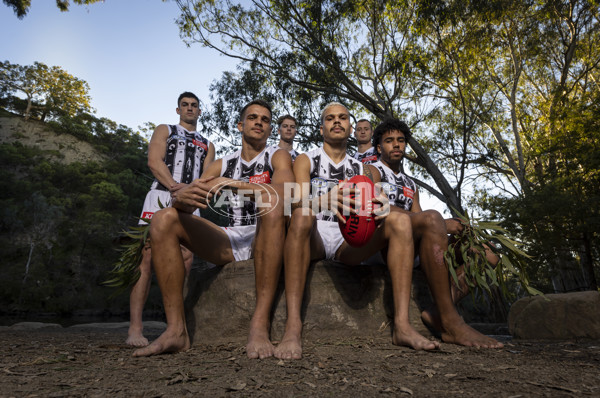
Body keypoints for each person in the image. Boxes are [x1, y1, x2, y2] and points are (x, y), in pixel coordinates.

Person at [275, 102, 439, 360]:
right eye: (330, 118)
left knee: (400, 221)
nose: (337, 121)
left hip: (348, 239)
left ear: (351, 128)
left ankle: (402, 326)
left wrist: (382, 205)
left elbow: (377, 203)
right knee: (302, 215)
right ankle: (293, 327)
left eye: (342, 118)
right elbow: (290, 202)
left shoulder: (363, 169)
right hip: (314, 234)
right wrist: (320, 201)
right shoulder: (307, 159)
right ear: (321, 128)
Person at [132, 99, 294, 359]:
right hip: (230, 238)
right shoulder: (221, 163)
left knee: (273, 205)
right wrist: (180, 200)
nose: (259, 122)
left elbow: (284, 195)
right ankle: (176, 330)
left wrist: (230, 186)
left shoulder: (277, 155)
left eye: (265, 119)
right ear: (240, 125)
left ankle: (260, 325)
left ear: (270, 129)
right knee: (163, 219)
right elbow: (195, 197)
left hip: (266, 234)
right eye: (253, 117)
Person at [370, 117, 503, 348]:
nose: (396, 145)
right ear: (379, 147)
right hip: (386, 243)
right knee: (434, 218)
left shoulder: (410, 184)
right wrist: (439, 221)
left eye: (401, 140)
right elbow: (376, 207)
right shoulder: (372, 170)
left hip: (415, 245)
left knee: (487, 254)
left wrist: (451, 229)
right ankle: (452, 323)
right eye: (389, 141)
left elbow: (420, 219)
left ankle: (438, 309)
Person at [126, 92, 215, 347]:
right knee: (146, 258)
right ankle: (135, 328)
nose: (189, 108)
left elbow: (207, 177)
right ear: (178, 110)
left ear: (199, 111)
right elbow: (154, 162)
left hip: (191, 201)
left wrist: (191, 194)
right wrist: (176, 187)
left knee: (186, 259)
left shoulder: (208, 143)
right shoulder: (165, 129)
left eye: (194, 105)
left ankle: (176, 326)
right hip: (161, 194)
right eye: (185, 105)